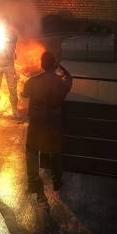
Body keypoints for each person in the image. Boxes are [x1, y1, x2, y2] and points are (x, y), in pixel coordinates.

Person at [21, 52, 73, 193]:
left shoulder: (32, 81)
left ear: (42, 64)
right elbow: (69, 78)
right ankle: (56, 180)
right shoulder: (61, 82)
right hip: (54, 119)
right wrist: (59, 66)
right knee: (55, 150)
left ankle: (33, 182)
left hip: (37, 118)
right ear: (54, 64)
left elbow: (24, 94)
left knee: (32, 149)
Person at [0, 18, 19, 117]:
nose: (2, 25)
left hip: (8, 64)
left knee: (12, 88)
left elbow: (12, 40)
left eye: (4, 24)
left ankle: (14, 110)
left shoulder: (12, 34)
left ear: (8, 25)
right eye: (1, 24)